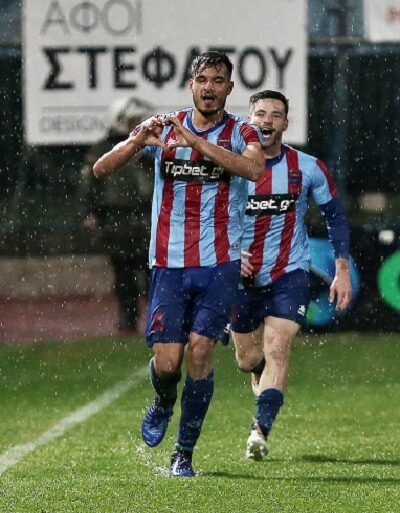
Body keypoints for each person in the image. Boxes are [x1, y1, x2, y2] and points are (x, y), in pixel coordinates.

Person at [92, 51, 264, 476]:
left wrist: (198, 144)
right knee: (168, 363)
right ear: (191, 85)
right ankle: (164, 398)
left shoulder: (242, 131)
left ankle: (183, 453)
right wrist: (137, 141)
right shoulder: (166, 127)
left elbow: (253, 169)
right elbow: (100, 169)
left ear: (230, 88)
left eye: (218, 80)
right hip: (168, 263)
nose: (209, 87)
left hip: (219, 264)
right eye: (202, 79)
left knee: (200, 353)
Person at [230, 90, 353, 460]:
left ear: (285, 123)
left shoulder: (308, 167)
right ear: (248, 120)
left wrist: (341, 270)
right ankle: (261, 375)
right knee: (247, 360)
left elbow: (335, 216)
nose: (267, 120)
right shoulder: (230, 164)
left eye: (275, 114)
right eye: (260, 113)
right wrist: (231, 253)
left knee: (279, 346)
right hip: (240, 276)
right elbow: (207, 215)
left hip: (290, 272)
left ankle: (260, 431)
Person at [80, 97, 154, 333]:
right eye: (132, 119)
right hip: (115, 218)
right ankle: (128, 318)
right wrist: (89, 212)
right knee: (123, 272)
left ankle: (159, 317)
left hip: (145, 216)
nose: (137, 122)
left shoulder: (146, 147)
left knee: (153, 271)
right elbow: (89, 182)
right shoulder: (102, 149)